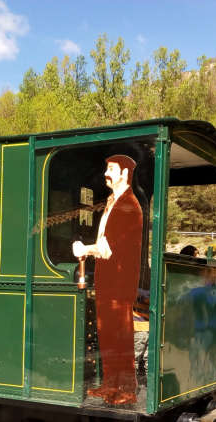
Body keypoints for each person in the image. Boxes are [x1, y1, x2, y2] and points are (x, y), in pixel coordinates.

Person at [73, 155, 143, 405]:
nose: (106, 173)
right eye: (106, 168)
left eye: (111, 169)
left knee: (120, 336)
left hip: (119, 282)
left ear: (125, 172)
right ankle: (110, 384)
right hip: (108, 280)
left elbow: (110, 247)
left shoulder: (128, 205)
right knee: (107, 335)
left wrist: (85, 249)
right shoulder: (113, 202)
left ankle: (125, 389)